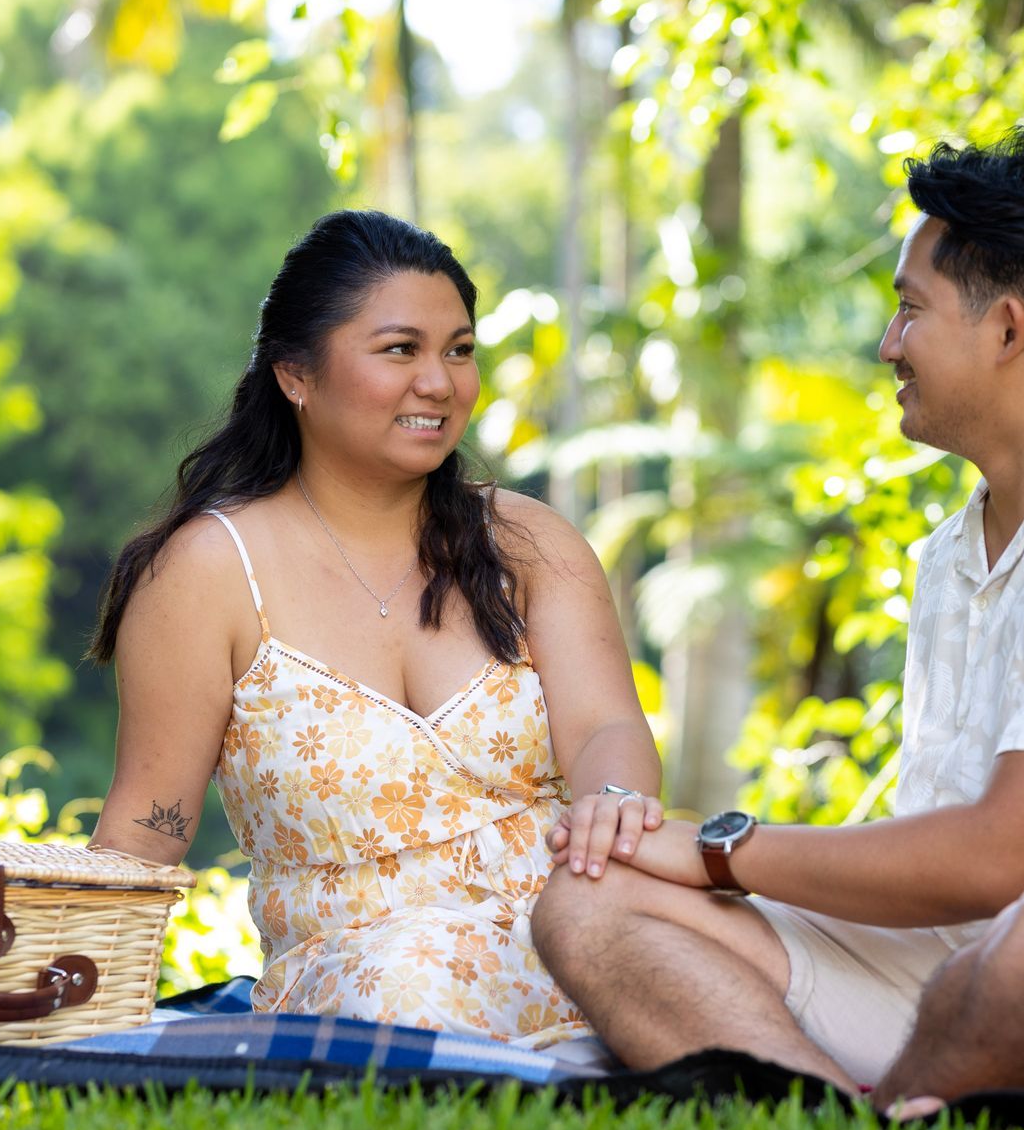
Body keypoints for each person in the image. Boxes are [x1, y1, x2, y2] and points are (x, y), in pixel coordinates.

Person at [533, 128, 1024, 1116]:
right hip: (958, 962)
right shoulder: (954, 551)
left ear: (1007, 330)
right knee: (591, 900)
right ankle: (835, 1115)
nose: (888, 346)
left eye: (909, 310)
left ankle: (881, 1104)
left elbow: (1005, 855)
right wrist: (680, 853)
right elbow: (943, 856)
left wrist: (718, 847)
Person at [88, 209, 663, 1048]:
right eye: (401, 350)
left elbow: (608, 727)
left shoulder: (529, 542)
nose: (440, 382)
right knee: (421, 980)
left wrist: (614, 799)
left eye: (459, 350)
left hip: (579, 928)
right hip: (372, 982)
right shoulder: (206, 572)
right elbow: (146, 831)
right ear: (296, 374)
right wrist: (69, 1005)